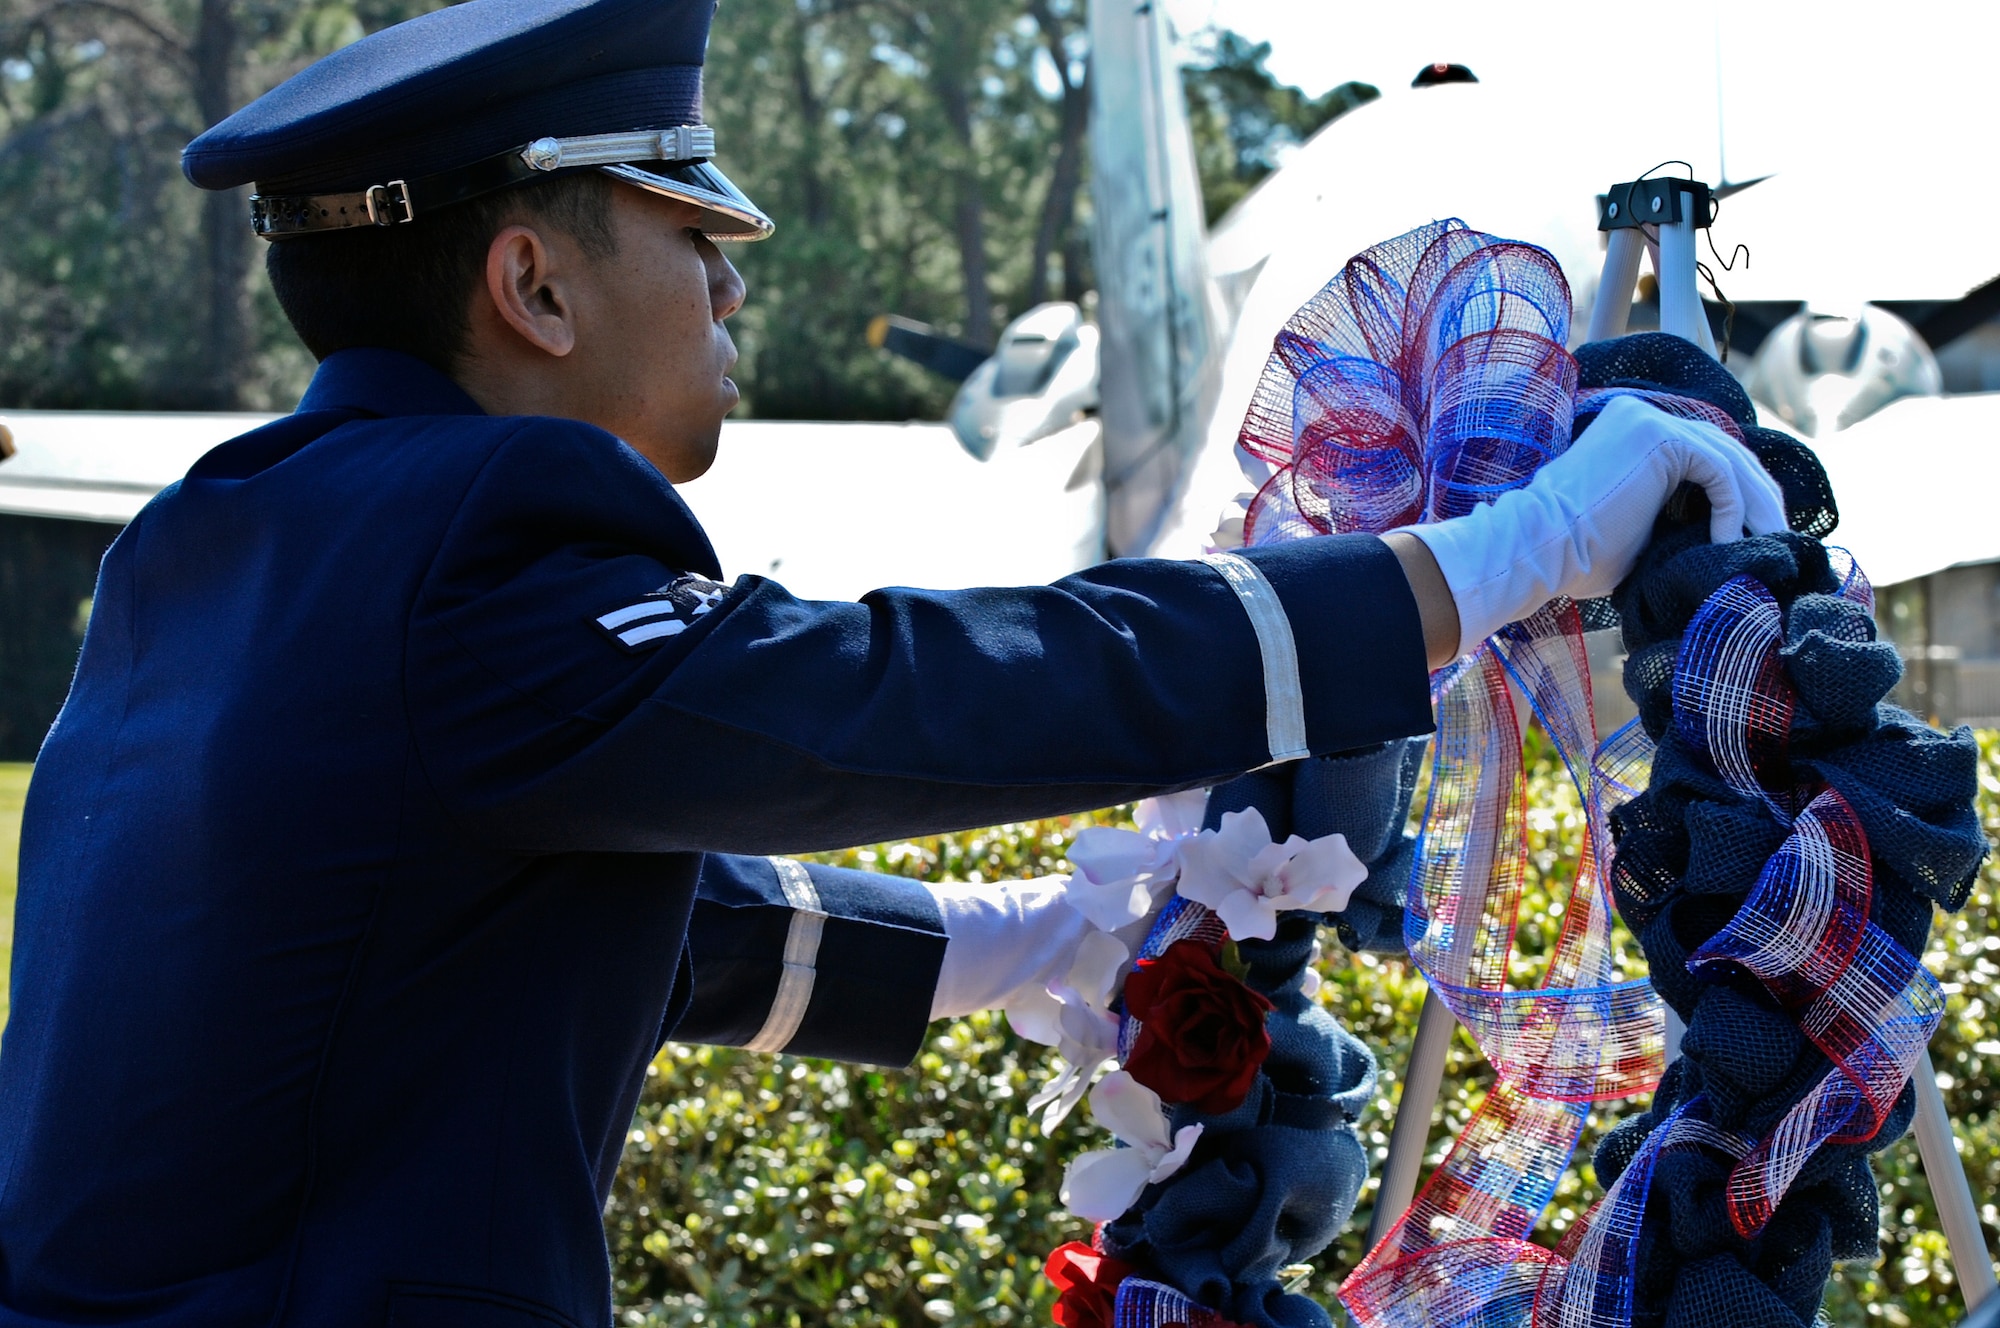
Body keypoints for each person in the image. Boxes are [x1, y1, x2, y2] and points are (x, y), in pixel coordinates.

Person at [0, 0, 1786, 1323]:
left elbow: (526, 918)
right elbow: (899, 696)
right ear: (535, 288)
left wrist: (1018, 940)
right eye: (698, 232)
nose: (732, 292)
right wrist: (1508, 553)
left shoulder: (220, 534)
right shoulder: (480, 527)